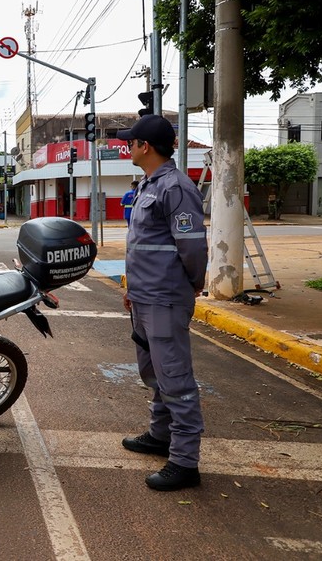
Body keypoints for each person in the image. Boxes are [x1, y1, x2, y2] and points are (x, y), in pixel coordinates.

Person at [116, 114, 208, 491]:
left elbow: (192, 247)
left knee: (175, 379)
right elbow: (145, 246)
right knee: (153, 372)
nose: (128, 146)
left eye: (131, 142)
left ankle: (185, 462)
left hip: (165, 299)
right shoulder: (148, 184)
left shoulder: (176, 187)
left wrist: (193, 285)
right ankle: (160, 435)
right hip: (144, 297)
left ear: (145, 146)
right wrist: (132, 290)